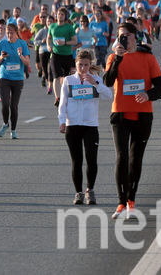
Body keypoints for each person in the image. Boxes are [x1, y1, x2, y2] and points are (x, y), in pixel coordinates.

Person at [103, 22, 161, 220]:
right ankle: (121, 202)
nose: (123, 39)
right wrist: (118, 59)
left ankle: (131, 201)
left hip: (143, 113)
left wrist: (148, 95)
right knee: (122, 157)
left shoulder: (147, 58)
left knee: (135, 158)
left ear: (135, 37)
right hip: (120, 113)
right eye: (120, 35)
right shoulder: (113, 57)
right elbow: (107, 81)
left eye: (127, 36)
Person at [58, 48, 112, 205]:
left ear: (90, 65)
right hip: (73, 125)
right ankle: (78, 192)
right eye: (80, 65)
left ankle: (90, 190)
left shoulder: (96, 79)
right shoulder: (69, 80)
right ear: (76, 64)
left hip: (90, 125)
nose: (83, 68)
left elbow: (108, 96)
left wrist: (95, 84)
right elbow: (63, 103)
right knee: (76, 160)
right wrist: (62, 121)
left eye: (86, 65)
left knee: (91, 159)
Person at [0, 23, 30, 139]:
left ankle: (13, 130)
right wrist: (2, 57)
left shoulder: (22, 44)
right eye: (8, 32)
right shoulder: (2, 43)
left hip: (18, 78)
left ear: (16, 33)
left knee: (13, 106)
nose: (9, 35)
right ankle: (5, 123)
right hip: (4, 77)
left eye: (12, 32)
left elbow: (27, 62)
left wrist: (20, 55)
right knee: (5, 104)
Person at [48, 7, 78, 107]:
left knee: (65, 78)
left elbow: (75, 41)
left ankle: (65, 95)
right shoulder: (52, 26)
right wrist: (49, 45)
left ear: (65, 16)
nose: (59, 16)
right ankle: (57, 98)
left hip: (67, 55)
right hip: (55, 54)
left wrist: (64, 42)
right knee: (56, 76)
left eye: (62, 14)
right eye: (58, 14)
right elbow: (49, 38)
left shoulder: (69, 27)